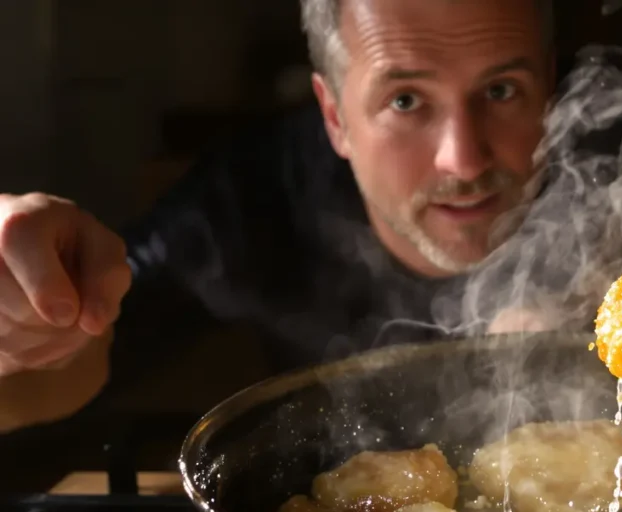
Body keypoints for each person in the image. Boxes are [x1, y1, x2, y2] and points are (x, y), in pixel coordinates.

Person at [0, 0, 562, 434]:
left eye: (501, 89)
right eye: (406, 101)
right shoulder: (251, 200)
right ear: (335, 117)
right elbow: (80, 358)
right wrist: (36, 311)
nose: (462, 160)